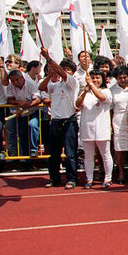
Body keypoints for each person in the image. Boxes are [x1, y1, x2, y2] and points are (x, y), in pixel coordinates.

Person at [38, 48, 80, 189]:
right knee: (54, 154)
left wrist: (48, 58)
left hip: (69, 121)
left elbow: (62, 73)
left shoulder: (73, 82)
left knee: (70, 153)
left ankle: (71, 179)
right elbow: (42, 86)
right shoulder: (55, 85)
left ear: (72, 72)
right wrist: (50, 75)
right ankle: (54, 178)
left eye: (68, 69)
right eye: (63, 69)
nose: (65, 71)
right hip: (55, 121)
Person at [76, 69, 113, 189]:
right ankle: (89, 178)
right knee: (88, 155)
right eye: (92, 78)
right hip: (87, 127)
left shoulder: (106, 91)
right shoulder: (86, 92)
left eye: (97, 78)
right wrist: (85, 92)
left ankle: (108, 178)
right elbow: (77, 104)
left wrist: (91, 85)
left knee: (105, 154)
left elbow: (102, 97)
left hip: (102, 127)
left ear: (102, 79)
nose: (95, 80)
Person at [110, 66, 128, 184]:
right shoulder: (112, 90)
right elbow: (110, 109)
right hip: (118, 119)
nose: (123, 80)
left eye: (125, 77)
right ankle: (121, 173)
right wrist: (111, 124)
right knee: (119, 148)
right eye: (120, 78)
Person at [5, 70, 41, 160]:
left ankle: (34, 149)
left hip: (32, 112)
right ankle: (25, 157)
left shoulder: (31, 84)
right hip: (20, 114)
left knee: (32, 125)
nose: (15, 82)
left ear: (22, 77)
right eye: (12, 81)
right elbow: (9, 99)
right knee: (22, 134)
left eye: (17, 80)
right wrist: (18, 102)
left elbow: (37, 100)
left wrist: (25, 106)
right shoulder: (11, 86)